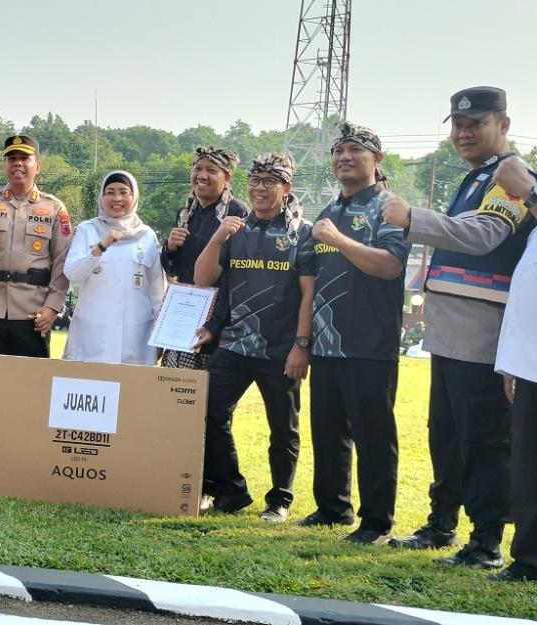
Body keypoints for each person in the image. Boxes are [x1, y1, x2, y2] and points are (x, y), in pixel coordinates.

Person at [384, 87, 535, 569]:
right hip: (450, 328)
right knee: (446, 433)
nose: (464, 133)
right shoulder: (477, 175)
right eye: (458, 125)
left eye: (477, 124)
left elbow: (485, 235)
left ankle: (486, 540)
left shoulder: (510, 174)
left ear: (504, 125)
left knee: (483, 437)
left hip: (481, 328)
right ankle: (441, 521)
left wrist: (413, 218)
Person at [300, 122, 411, 544]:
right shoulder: (329, 210)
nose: (344, 157)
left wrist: (339, 240)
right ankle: (333, 507)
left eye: (355, 150)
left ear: (376, 159)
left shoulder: (389, 207)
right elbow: (309, 278)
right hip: (327, 342)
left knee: (374, 435)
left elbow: (389, 265)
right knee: (328, 430)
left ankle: (377, 522)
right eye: (338, 151)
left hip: (369, 343)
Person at [192, 153, 314, 521]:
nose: (260, 188)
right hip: (234, 344)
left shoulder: (301, 233)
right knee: (207, 412)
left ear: (285, 187)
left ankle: (280, 500)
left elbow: (308, 293)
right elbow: (203, 279)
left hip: (280, 349)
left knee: (283, 427)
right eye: (255, 181)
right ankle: (232, 490)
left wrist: (301, 346)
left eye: (269, 182)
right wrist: (217, 237)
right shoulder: (236, 230)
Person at [0, 135, 72, 357]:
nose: (17, 163)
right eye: (11, 159)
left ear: (37, 166)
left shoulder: (55, 208)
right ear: (5, 165)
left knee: (30, 377)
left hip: (33, 311)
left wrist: (53, 306)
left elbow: (62, 261)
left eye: (24, 158)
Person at [62, 170, 165, 365]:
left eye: (124, 192)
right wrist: (100, 247)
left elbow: (157, 293)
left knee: (133, 385)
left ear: (134, 197)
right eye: (110, 192)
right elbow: (73, 274)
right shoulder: (87, 229)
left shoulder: (147, 236)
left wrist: (159, 336)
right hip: (92, 338)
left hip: (137, 338)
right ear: (102, 197)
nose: (117, 198)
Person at [160, 146, 249, 373]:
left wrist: (214, 324)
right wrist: (170, 248)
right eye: (197, 169)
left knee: (210, 390)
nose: (202, 176)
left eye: (211, 170)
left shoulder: (236, 213)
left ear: (226, 177)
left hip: (220, 321)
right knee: (173, 387)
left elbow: (236, 278)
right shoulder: (185, 213)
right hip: (184, 316)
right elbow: (173, 270)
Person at [491, 155, 537, 581]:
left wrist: (528, 190)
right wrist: (512, 361)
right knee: (526, 464)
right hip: (528, 364)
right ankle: (528, 559)